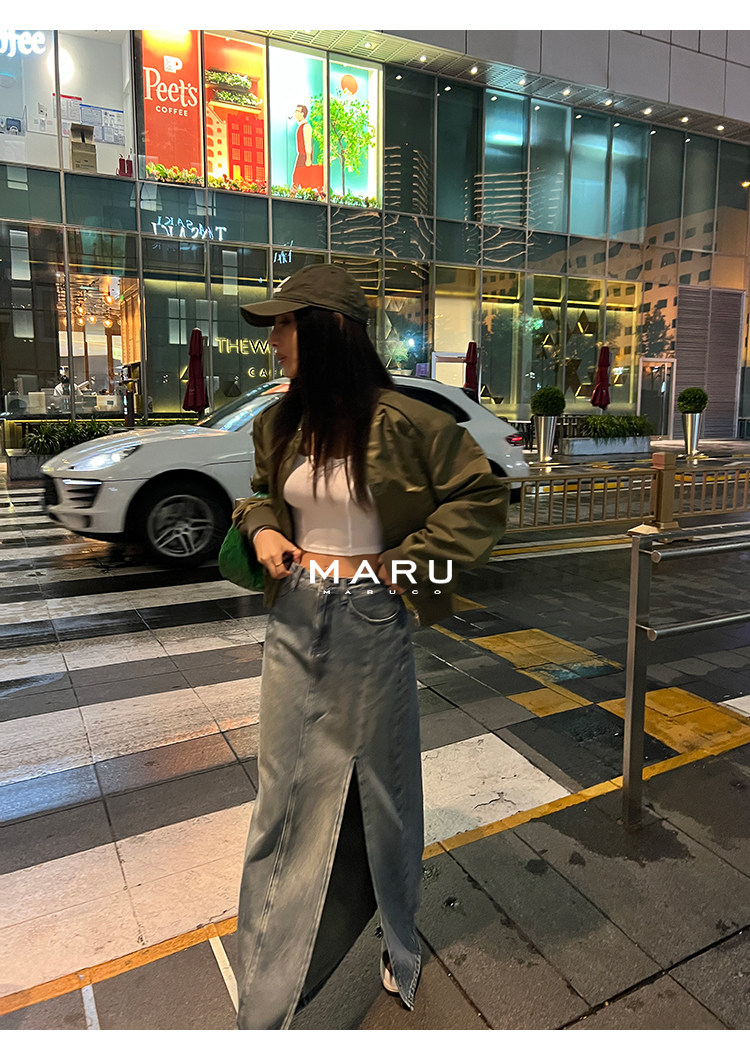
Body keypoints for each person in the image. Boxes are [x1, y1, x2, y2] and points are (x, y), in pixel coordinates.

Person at [232, 264, 509, 1030]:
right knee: (280, 796)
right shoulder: (279, 422)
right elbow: (257, 495)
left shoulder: (406, 421)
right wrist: (262, 530)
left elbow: (483, 498)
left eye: (284, 324)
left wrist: (404, 567)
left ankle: (399, 934)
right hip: (294, 615)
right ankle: (266, 975)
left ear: (327, 330)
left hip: (372, 618)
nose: (274, 340)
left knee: (386, 792)